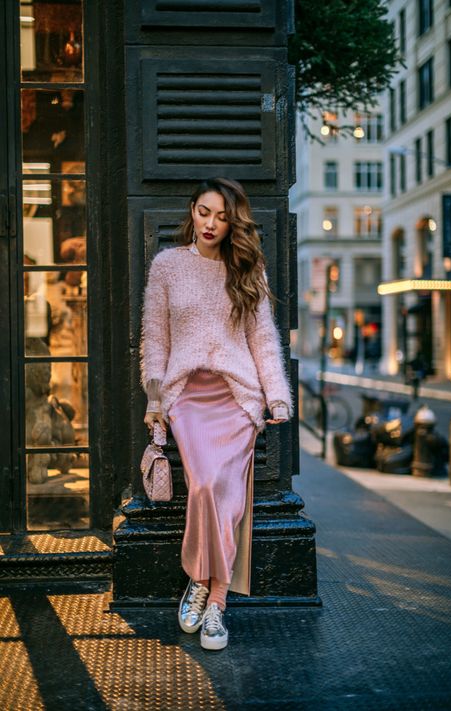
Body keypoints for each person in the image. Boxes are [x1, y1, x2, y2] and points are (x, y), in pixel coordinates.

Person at [141, 177, 293, 651]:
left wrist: (277, 397)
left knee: (228, 501)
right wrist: (153, 397)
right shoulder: (167, 266)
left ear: (233, 224)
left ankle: (216, 602)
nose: (212, 223)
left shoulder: (246, 269)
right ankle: (199, 580)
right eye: (205, 212)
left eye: (223, 217)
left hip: (237, 400)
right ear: (192, 211)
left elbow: (263, 340)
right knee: (205, 486)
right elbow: (154, 340)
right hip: (187, 397)